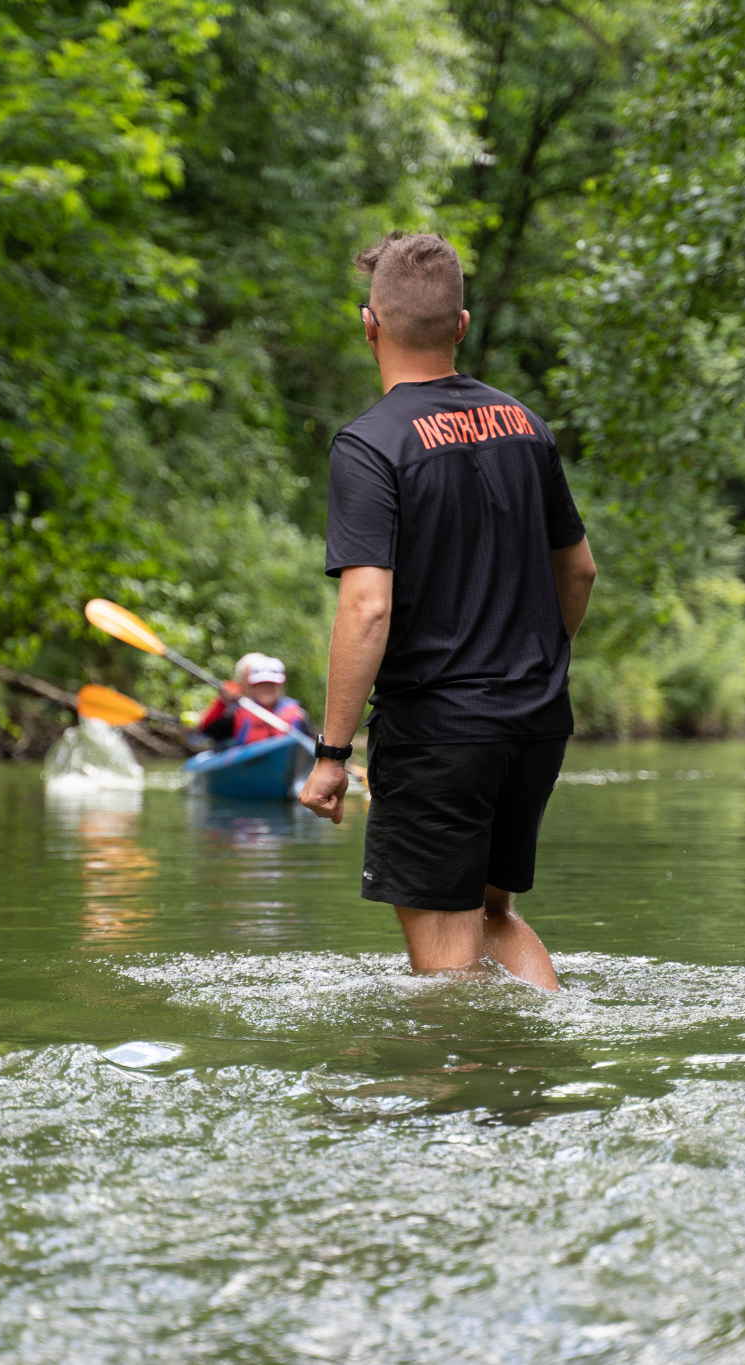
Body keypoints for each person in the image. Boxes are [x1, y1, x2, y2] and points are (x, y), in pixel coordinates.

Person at [298, 232, 599, 992]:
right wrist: (527, 667)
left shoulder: (371, 445)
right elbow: (581, 570)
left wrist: (332, 756)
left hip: (439, 734)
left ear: (370, 324)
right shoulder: (526, 428)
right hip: (535, 720)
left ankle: (464, 1098)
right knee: (495, 914)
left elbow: (367, 608)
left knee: (446, 972)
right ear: (460, 325)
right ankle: (554, 1056)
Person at [195, 653, 310, 748]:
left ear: (281, 686)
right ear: (251, 687)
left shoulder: (299, 715)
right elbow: (207, 730)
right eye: (261, 684)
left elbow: (314, 744)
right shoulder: (237, 714)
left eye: (272, 684)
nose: (266, 688)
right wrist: (222, 702)